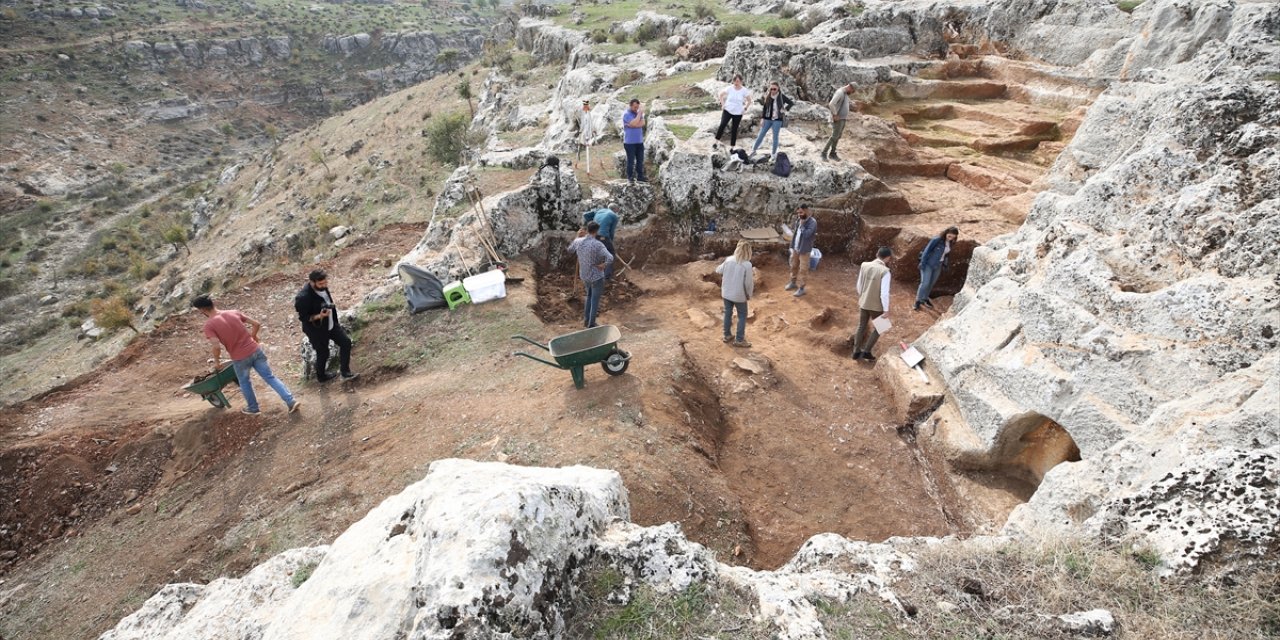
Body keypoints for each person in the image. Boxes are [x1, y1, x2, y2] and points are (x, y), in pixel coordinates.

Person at [192, 295, 300, 416]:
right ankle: (291, 401)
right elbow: (256, 323)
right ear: (212, 303)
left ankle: (253, 408)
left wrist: (217, 363)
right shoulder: (233, 312)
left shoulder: (209, 325)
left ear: (202, 310)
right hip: (256, 350)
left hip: (240, 358)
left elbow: (216, 346)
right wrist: (253, 336)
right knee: (270, 377)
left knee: (244, 382)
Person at [294, 270, 358, 383]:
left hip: (331, 324)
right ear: (312, 282)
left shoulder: (323, 288)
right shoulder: (303, 297)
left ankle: (345, 372)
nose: (324, 286)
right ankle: (321, 376)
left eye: (325, 283)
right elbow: (303, 318)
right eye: (320, 284)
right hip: (316, 330)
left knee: (346, 342)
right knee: (323, 352)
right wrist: (319, 316)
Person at [568, 221, 614, 328]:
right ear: (596, 231)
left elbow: (570, 250)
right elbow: (610, 258)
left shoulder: (578, 241)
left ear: (587, 230)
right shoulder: (598, 244)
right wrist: (604, 265)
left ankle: (586, 320)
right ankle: (591, 323)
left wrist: (576, 237)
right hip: (597, 276)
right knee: (594, 299)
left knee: (588, 296)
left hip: (584, 276)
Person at [852, 247, 894, 361]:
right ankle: (866, 351)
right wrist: (886, 310)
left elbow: (859, 285)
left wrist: (863, 296)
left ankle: (856, 352)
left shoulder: (864, 265)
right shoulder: (885, 271)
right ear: (888, 258)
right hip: (877, 306)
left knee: (861, 326)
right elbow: (884, 293)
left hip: (864, 302)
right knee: (881, 326)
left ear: (877, 254)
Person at [716, 240, 755, 348]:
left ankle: (727, 335)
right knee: (742, 316)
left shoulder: (729, 260)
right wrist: (749, 294)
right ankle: (739, 340)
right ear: (748, 251)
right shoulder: (747, 265)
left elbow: (718, 270)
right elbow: (748, 283)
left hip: (726, 293)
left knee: (728, 313)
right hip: (739, 295)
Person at [916, 226, 959, 311]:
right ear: (946, 233)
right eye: (949, 236)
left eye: (953, 237)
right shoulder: (937, 240)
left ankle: (924, 299)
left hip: (938, 265)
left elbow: (946, 254)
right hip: (928, 264)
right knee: (925, 283)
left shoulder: (950, 242)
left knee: (931, 283)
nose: (950, 238)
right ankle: (918, 301)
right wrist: (922, 263)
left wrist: (945, 265)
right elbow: (926, 251)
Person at [749, 81, 794, 157]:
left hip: (777, 120)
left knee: (775, 137)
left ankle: (773, 154)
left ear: (778, 89)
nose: (773, 91)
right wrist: (763, 118)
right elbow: (765, 108)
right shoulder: (768, 96)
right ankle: (753, 150)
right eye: (771, 89)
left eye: (774, 89)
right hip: (767, 119)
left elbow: (791, 103)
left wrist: (785, 109)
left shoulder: (781, 96)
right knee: (761, 134)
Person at [784, 203, 817, 298]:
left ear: (807, 210)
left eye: (801, 212)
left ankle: (802, 288)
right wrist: (792, 245)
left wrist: (802, 226)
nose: (799, 215)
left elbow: (807, 234)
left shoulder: (812, 222)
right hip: (796, 248)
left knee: (803, 269)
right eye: (798, 213)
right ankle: (793, 282)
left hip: (805, 250)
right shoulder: (799, 220)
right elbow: (796, 234)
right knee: (793, 265)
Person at [714, 74, 752, 150]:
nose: (736, 82)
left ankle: (732, 147)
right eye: (735, 81)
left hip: (738, 113)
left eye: (738, 81)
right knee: (722, 125)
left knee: (734, 129)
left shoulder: (744, 90)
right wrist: (723, 104)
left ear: (741, 81)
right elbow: (721, 95)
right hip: (728, 110)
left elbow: (749, 100)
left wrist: (745, 108)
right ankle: (716, 142)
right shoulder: (730, 88)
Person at [821, 83, 855, 161]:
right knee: (834, 136)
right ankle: (823, 153)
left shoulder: (845, 93)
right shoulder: (840, 92)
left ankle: (832, 153)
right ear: (850, 87)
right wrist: (835, 115)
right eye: (853, 91)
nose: (852, 93)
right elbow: (831, 104)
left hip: (842, 119)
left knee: (838, 136)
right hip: (837, 119)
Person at [583, 206, 620, 277]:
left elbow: (585, 215)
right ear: (615, 209)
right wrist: (610, 242)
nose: (617, 212)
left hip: (592, 235)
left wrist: (591, 224)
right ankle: (607, 277)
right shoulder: (614, 216)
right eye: (617, 210)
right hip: (603, 237)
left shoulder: (599, 211)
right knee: (610, 254)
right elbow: (611, 232)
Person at [621, 98, 647, 183]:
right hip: (629, 143)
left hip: (639, 141)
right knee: (631, 161)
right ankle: (630, 177)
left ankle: (640, 177)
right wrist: (639, 114)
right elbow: (634, 123)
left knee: (640, 160)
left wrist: (635, 123)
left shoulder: (638, 113)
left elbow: (642, 123)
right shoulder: (626, 114)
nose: (636, 109)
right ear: (630, 105)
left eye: (638, 107)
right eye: (635, 107)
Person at [579, 100, 595, 176]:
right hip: (584, 132)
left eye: (586, 105)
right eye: (584, 105)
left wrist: (593, 129)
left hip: (589, 131)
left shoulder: (590, 114)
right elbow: (582, 123)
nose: (585, 107)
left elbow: (591, 122)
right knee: (583, 141)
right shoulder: (582, 114)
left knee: (589, 141)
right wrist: (580, 130)